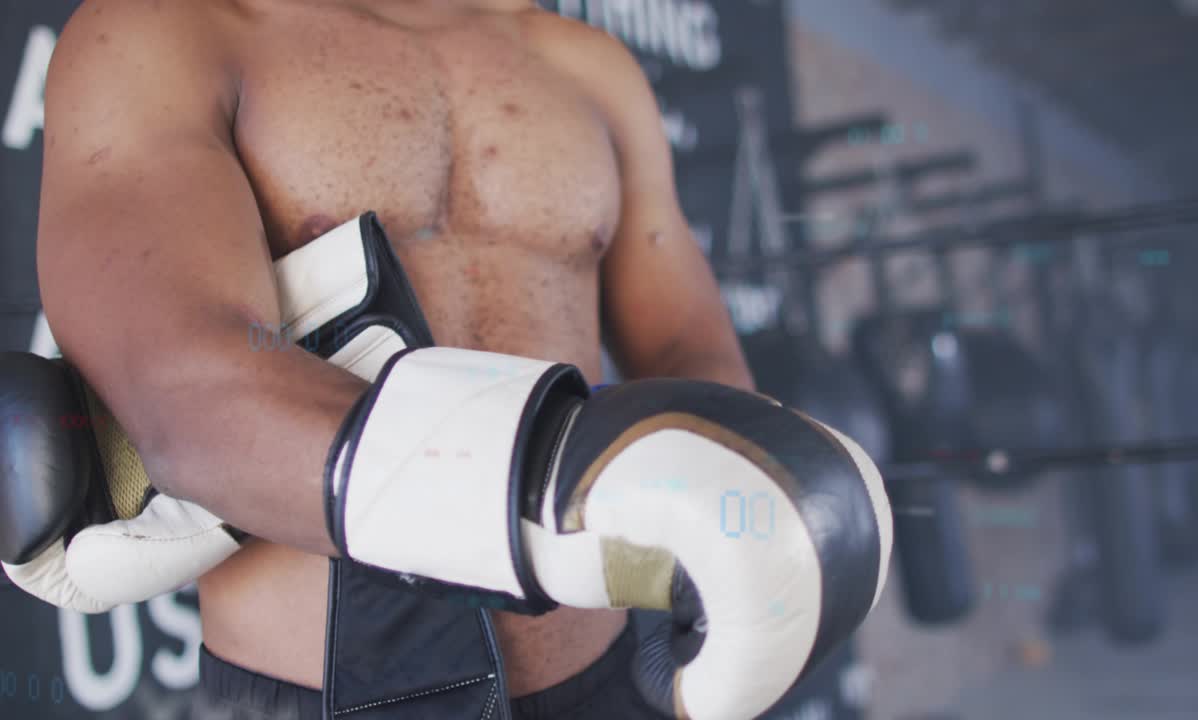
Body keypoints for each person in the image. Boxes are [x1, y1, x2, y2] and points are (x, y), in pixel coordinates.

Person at [36, 0, 754, 716]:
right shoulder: (162, 28)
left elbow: (686, 351)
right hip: (326, 697)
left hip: (608, 677)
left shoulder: (590, 67)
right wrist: (549, 493)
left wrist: (752, 495)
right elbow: (183, 393)